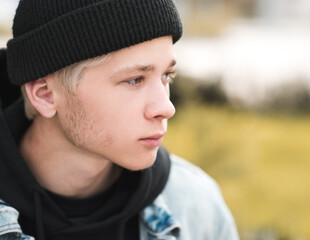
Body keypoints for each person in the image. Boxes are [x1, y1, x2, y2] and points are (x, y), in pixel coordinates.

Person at [0, 0, 239, 239]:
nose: (166, 108)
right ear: (45, 95)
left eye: (167, 75)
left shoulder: (197, 207)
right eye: (135, 80)